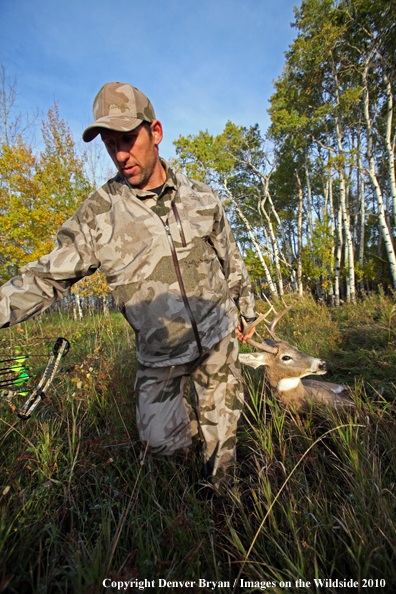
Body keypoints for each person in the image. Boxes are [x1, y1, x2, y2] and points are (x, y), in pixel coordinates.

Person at [0, 82, 256, 492]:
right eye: (110, 143)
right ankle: (181, 506)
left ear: (155, 132)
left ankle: (227, 513)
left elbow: (230, 256)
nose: (121, 155)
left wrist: (246, 309)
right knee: (163, 449)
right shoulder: (99, 215)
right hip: (159, 357)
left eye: (128, 139)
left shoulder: (201, 197)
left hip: (217, 339)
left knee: (222, 451)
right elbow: (46, 277)